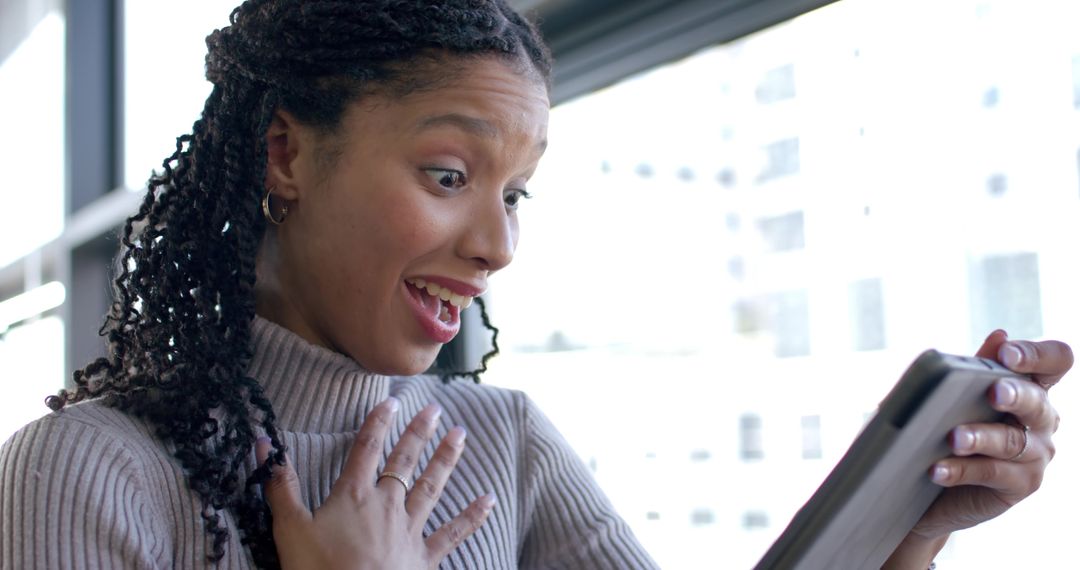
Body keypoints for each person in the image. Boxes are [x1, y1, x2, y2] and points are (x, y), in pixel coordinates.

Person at [0, 1, 1070, 569]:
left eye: (515, 193)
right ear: (286, 154)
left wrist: (910, 527)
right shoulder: (86, 474)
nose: (497, 246)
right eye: (448, 176)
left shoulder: (503, 443)